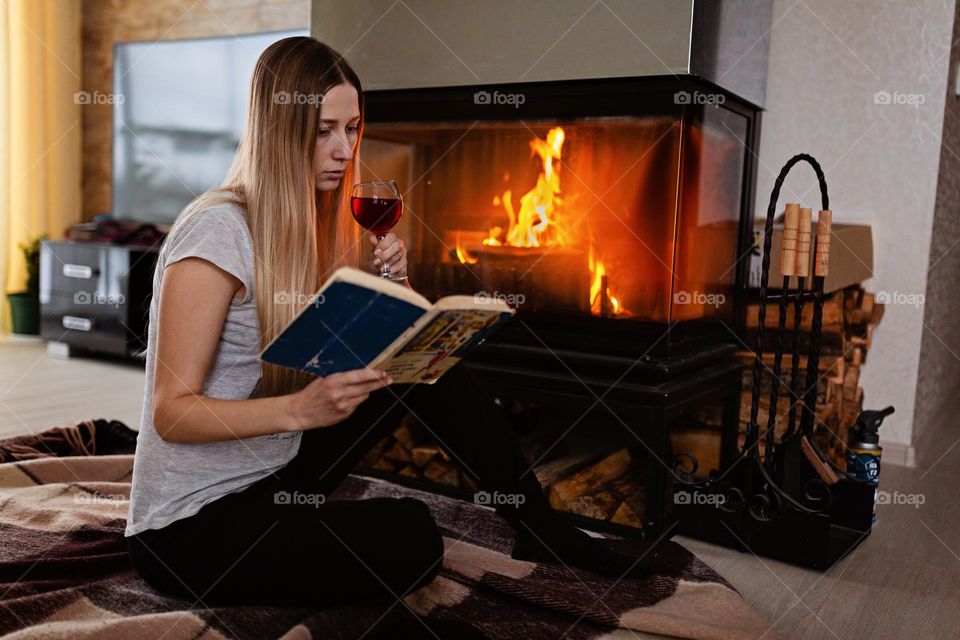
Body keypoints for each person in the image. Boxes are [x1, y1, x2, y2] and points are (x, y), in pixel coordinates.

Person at [124, 36, 648, 610]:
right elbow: (172, 412)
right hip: (191, 527)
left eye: (352, 129)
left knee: (426, 362)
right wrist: (301, 409)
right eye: (324, 130)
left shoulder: (314, 225)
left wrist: (398, 289)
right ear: (277, 128)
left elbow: (355, 348)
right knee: (412, 538)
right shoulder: (216, 232)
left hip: (276, 472)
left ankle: (537, 526)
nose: (343, 150)